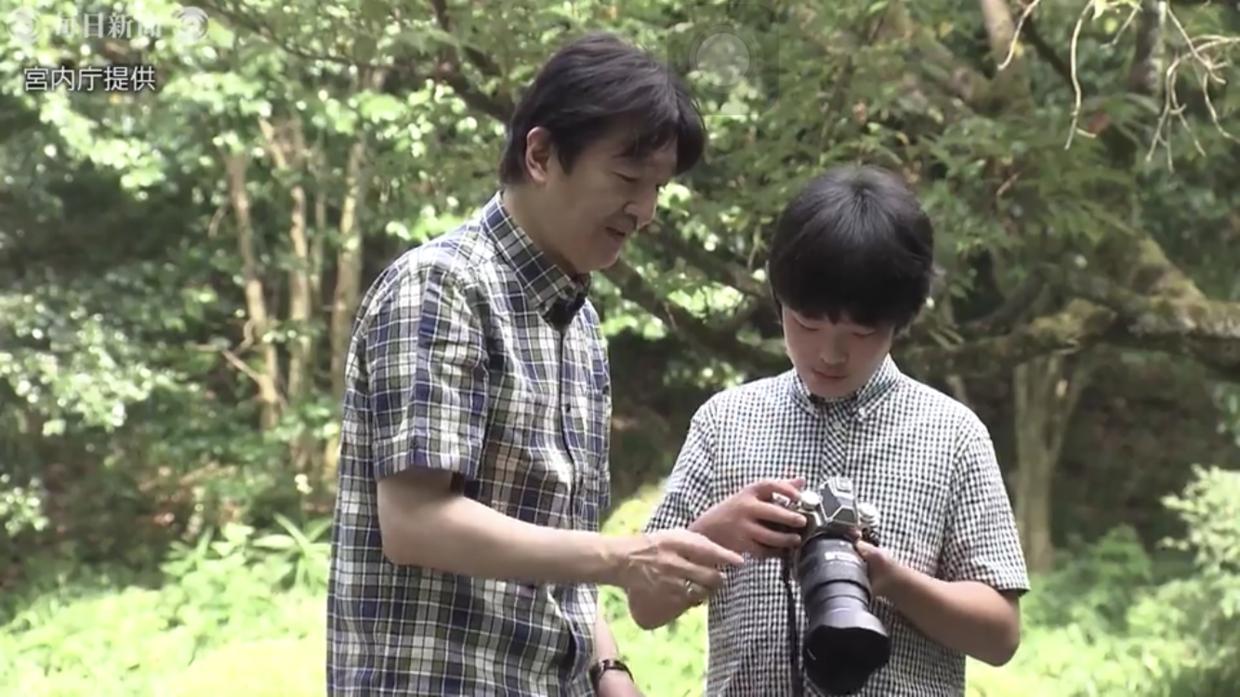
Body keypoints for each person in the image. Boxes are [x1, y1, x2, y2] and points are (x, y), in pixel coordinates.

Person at [326, 32, 744, 697]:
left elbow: (559, 545)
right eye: (629, 179)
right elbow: (415, 523)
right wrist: (627, 556)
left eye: (658, 187)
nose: (645, 211)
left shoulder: (580, 326)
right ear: (542, 154)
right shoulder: (441, 287)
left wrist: (610, 671)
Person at [630, 165, 1030, 696]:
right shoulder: (726, 423)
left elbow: (1000, 636)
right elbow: (644, 605)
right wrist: (718, 531)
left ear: (900, 320)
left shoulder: (952, 435)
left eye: (861, 331)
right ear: (779, 303)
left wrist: (889, 579)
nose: (830, 353)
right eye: (808, 324)